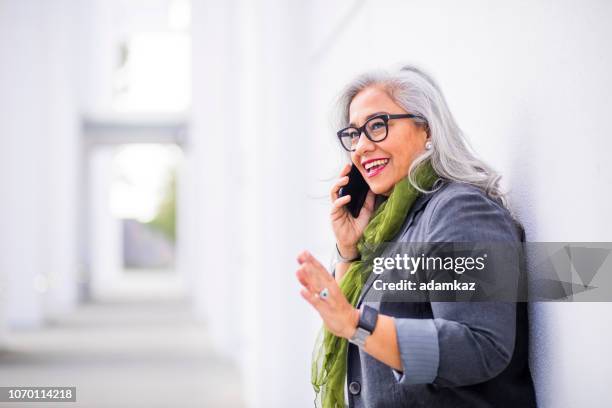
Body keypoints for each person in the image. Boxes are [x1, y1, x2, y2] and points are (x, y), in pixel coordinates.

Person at [295, 65, 537, 407]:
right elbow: (359, 349)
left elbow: (480, 346)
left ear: (427, 128)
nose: (361, 147)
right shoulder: (393, 225)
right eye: (354, 134)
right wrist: (350, 252)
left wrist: (356, 324)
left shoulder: (460, 210)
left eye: (377, 126)